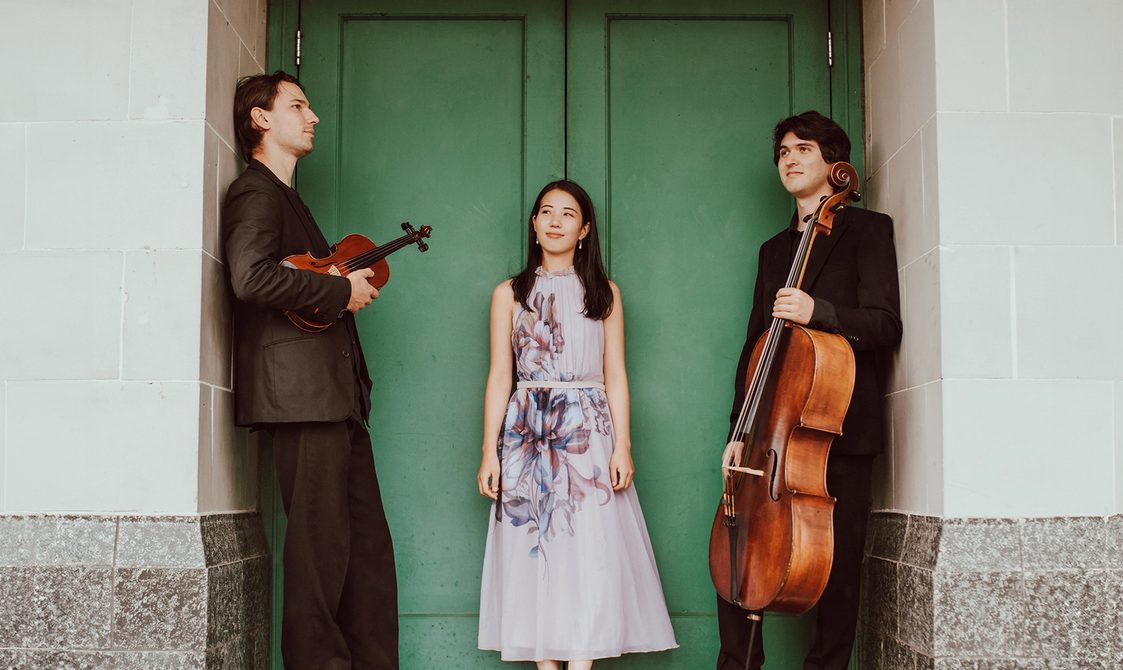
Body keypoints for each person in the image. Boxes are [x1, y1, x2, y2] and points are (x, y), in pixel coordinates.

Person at [223, 70, 398, 669]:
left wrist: (336, 286)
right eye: (298, 105)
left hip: (336, 401)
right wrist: (336, 292)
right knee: (319, 558)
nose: (314, 115)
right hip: (301, 400)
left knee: (366, 555)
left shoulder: (289, 198)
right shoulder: (255, 191)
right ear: (261, 119)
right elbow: (249, 277)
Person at [716, 111, 902, 669]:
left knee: (837, 576)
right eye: (782, 153)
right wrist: (738, 431)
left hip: (837, 431)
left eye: (802, 149)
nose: (789, 159)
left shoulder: (869, 229)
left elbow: (885, 325)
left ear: (832, 161)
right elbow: (757, 351)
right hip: (770, 435)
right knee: (738, 550)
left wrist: (818, 312)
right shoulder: (774, 250)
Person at [476, 180, 678, 669]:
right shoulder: (509, 294)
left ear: (585, 229)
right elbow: (500, 375)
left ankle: (583, 661)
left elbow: (616, 375)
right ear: (533, 224)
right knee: (535, 547)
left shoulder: (604, 294)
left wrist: (622, 446)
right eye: (546, 212)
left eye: (568, 214)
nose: (554, 221)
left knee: (589, 550)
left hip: (588, 431)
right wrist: (488, 452)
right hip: (526, 434)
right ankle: (546, 663)